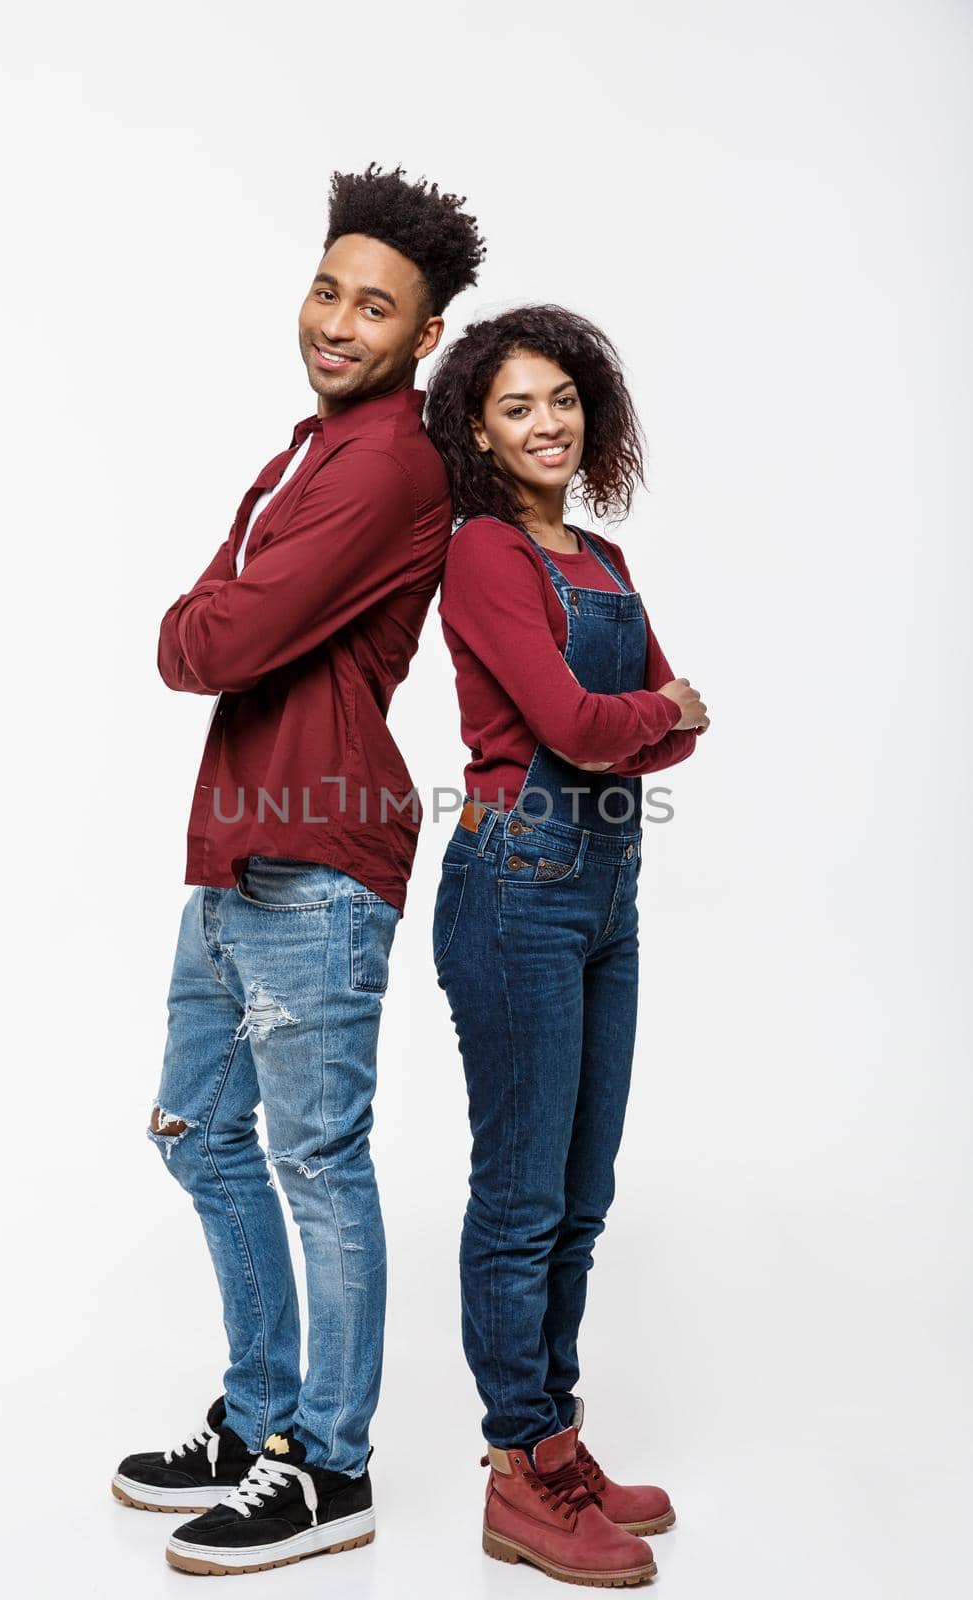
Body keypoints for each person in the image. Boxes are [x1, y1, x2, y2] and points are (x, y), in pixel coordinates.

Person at [111, 164, 485, 1578]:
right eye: (327, 289)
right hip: (240, 843)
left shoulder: (388, 458)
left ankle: (327, 1465)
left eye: (373, 306)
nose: (336, 320)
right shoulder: (308, 446)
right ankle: (261, 1412)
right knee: (200, 1134)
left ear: (423, 334)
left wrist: (204, 621)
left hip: (318, 856)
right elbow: (214, 625)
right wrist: (208, 619)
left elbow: (210, 640)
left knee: (315, 1164)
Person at [425, 305, 708, 1588]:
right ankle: (514, 1472)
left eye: (562, 400)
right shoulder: (483, 550)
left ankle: (554, 1436)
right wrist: (648, 715)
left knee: (581, 1198)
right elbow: (582, 725)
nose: (547, 423)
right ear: (477, 432)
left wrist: (632, 719)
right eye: (515, 407)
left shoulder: (594, 554)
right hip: (514, 883)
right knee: (522, 1194)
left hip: (606, 887)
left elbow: (647, 725)